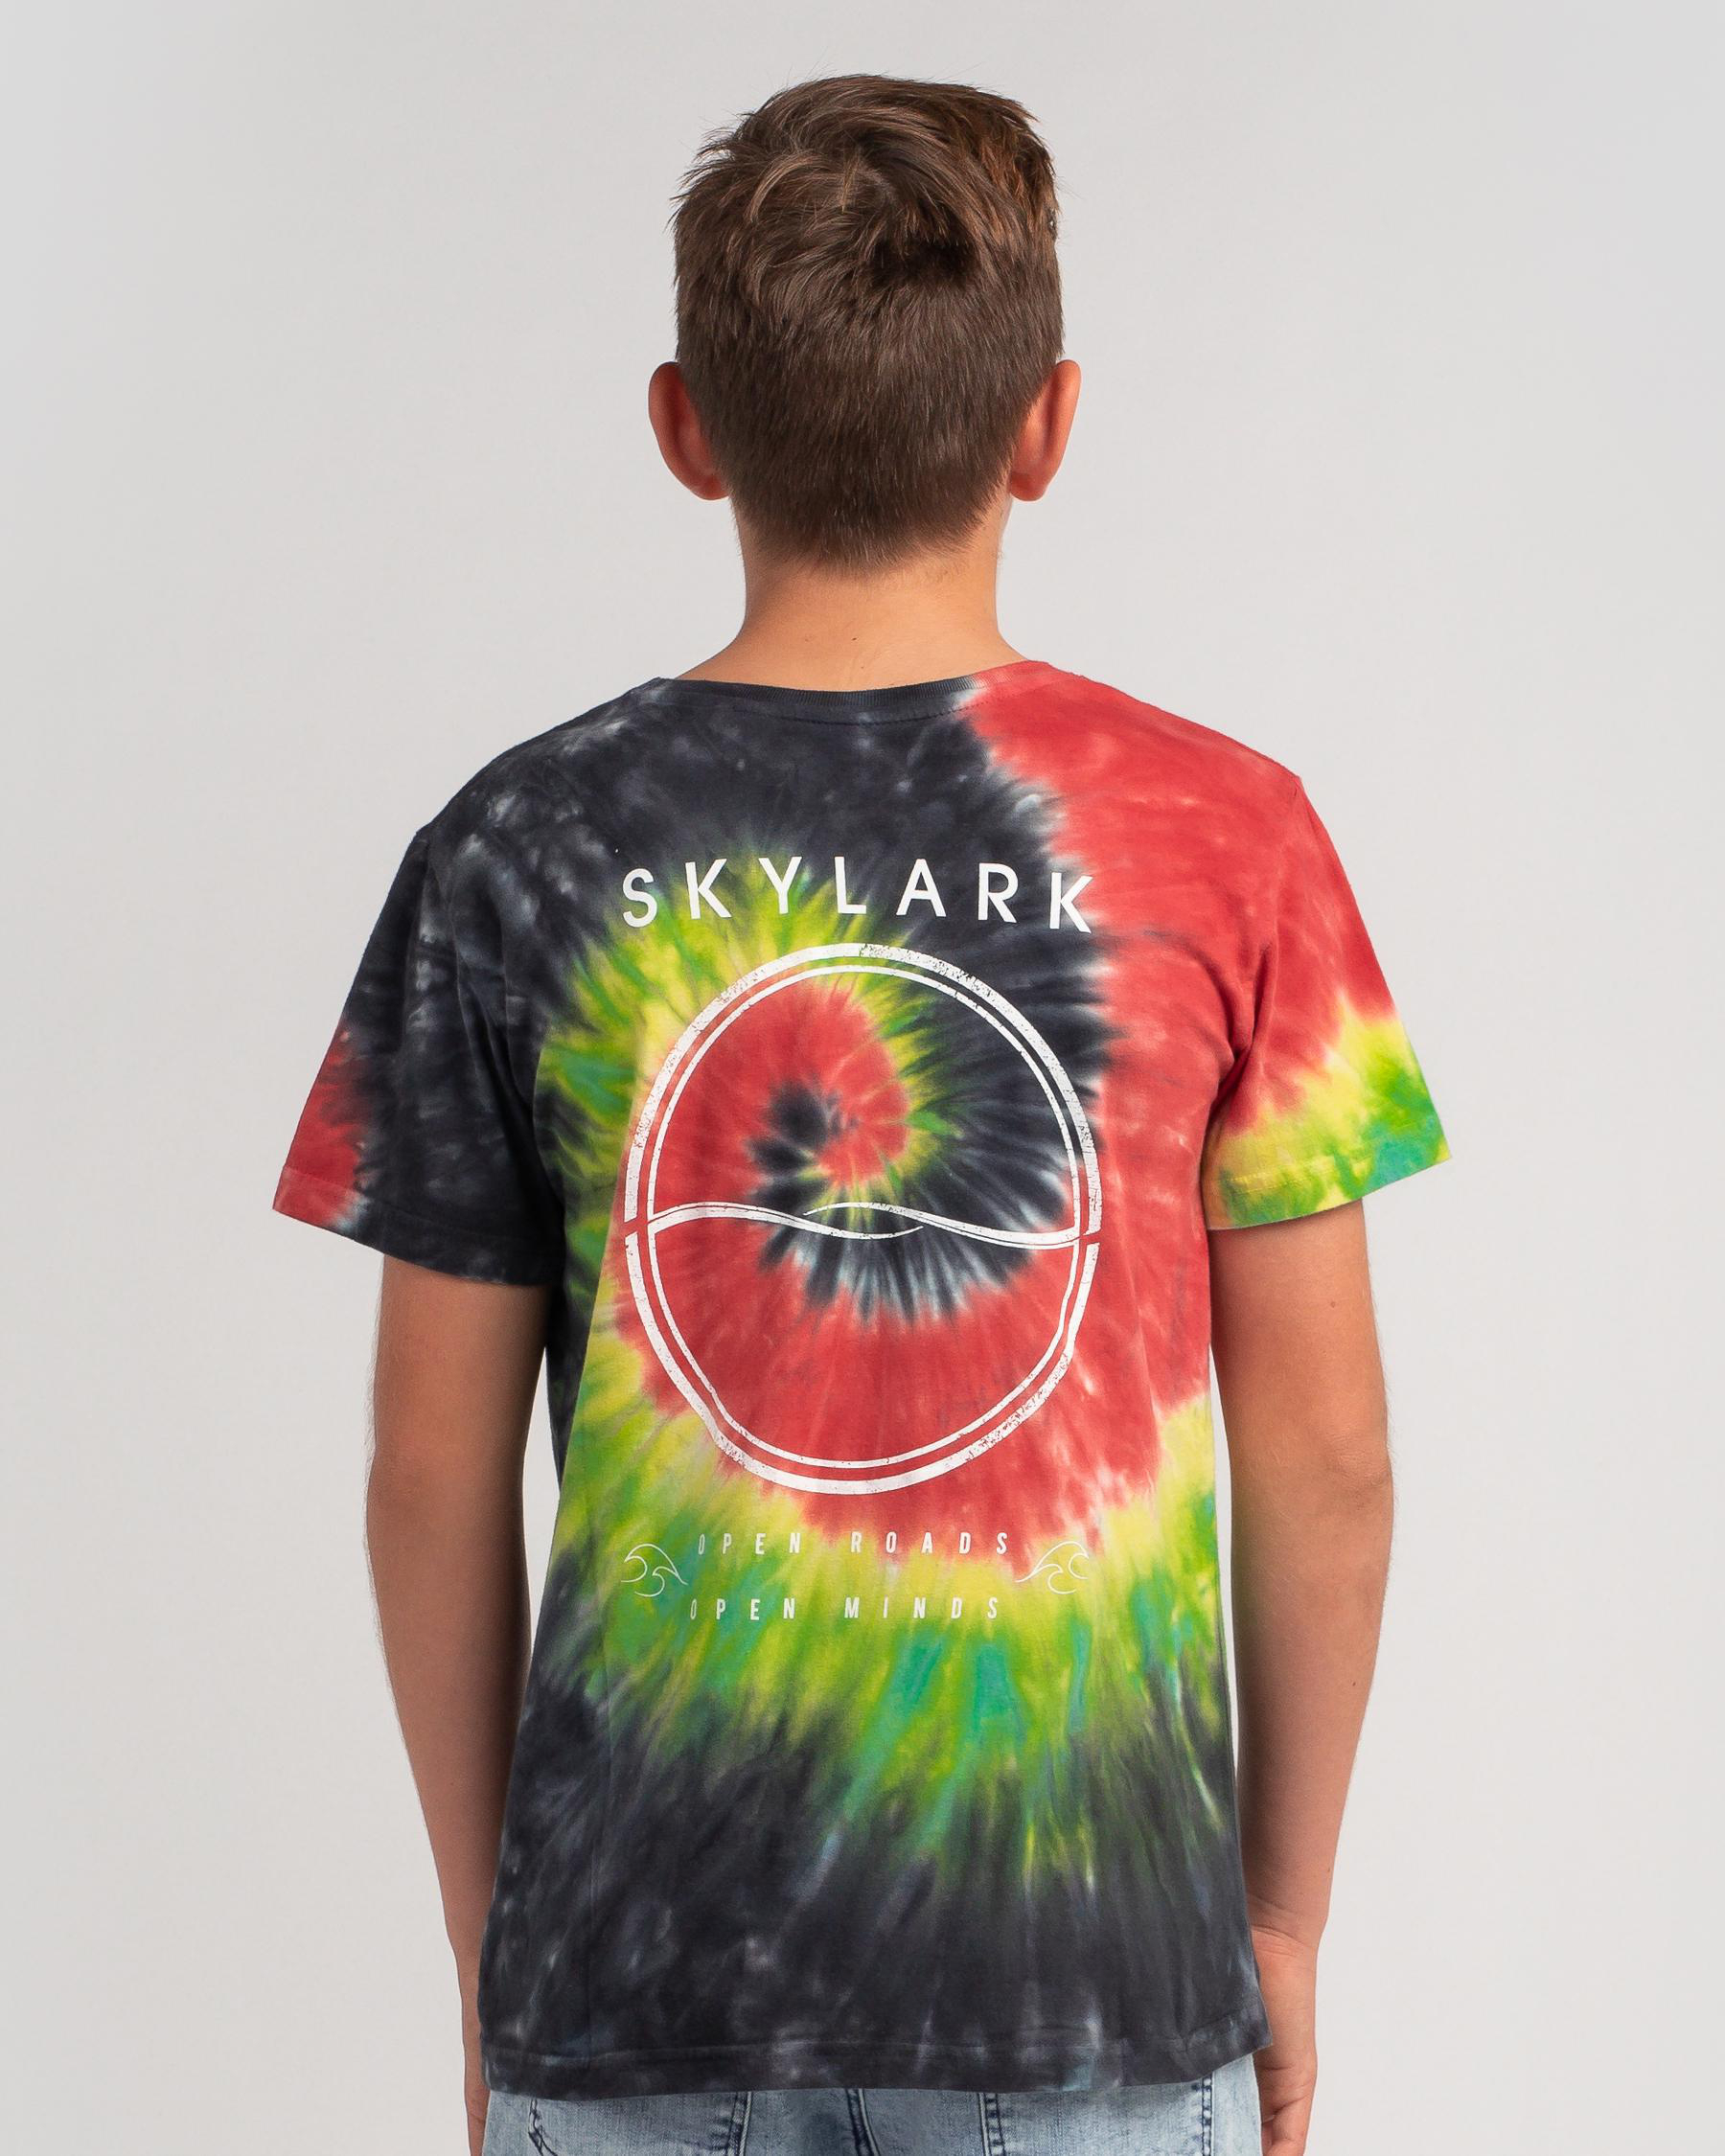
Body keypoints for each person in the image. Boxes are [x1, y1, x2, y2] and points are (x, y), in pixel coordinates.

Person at [273, 73, 1447, 2156]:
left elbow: (425, 1475)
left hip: (636, 1985)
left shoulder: (517, 848)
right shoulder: (1227, 835)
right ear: (1048, 426)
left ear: (684, 427)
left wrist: (495, 1958)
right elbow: (1332, 1455)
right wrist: (1278, 1921)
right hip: (1097, 1975)